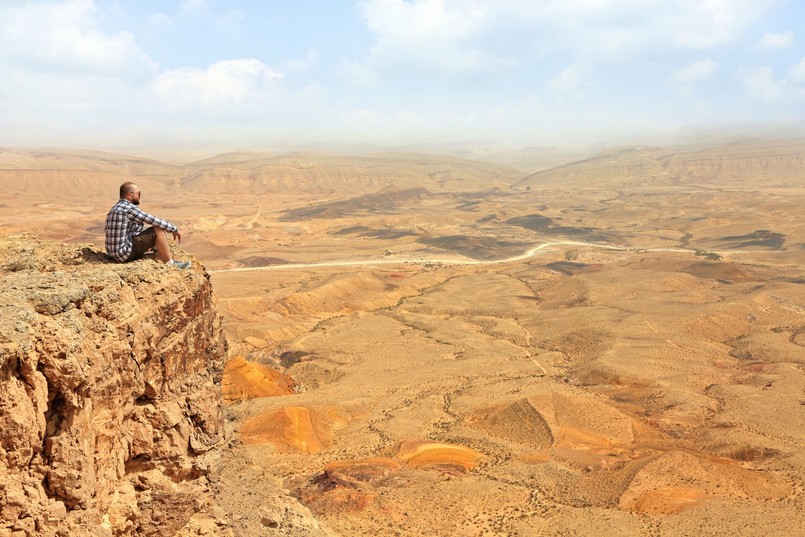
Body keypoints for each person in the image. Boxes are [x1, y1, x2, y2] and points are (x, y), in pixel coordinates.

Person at [105, 182, 191, 269]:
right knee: (158, 229)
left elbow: (128, 232)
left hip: (112, 254)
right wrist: (174, 229)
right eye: (138, 193)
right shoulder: (128, 208)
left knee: (147, 232)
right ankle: (171, 264)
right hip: (123, 254)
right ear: (129, 195)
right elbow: (152, 220)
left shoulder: (115, 208)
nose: (140, 196)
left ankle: (154, 247)